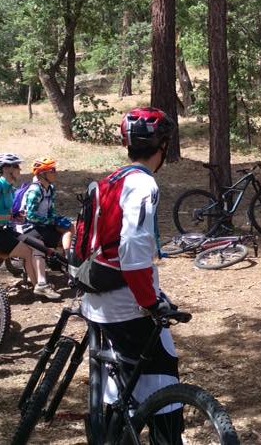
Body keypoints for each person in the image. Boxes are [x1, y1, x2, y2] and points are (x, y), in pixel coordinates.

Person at [80, 107, 183, 438]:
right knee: (162, 372)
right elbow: (134, 251)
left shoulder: (111, 180)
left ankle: (113, 434)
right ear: (163, 145)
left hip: (96, 298)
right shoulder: (142, 184)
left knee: (120, 374)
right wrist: (151, 303)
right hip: (126, 302)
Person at [21, 157, 74, 299]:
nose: (55, 173)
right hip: (29, 227)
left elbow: (51, 211)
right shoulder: (35, 190)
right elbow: (30, 216)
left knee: (69, 228)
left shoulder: (50, 189)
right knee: (40, 246)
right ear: (42, 174)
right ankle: (45, 281)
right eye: (52, 170)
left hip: (43, 225)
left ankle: (68, 263)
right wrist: (51, 221)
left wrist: (57, 219)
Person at [0, 153, 38, 287]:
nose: (19, 169)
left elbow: (9, 213)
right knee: (28, 252)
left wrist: (17, 216)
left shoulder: (10, 188)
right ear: (6, 169)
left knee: (33, 245)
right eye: (16, 166)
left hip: (5, 230)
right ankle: (39, 286)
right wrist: (11, 217)